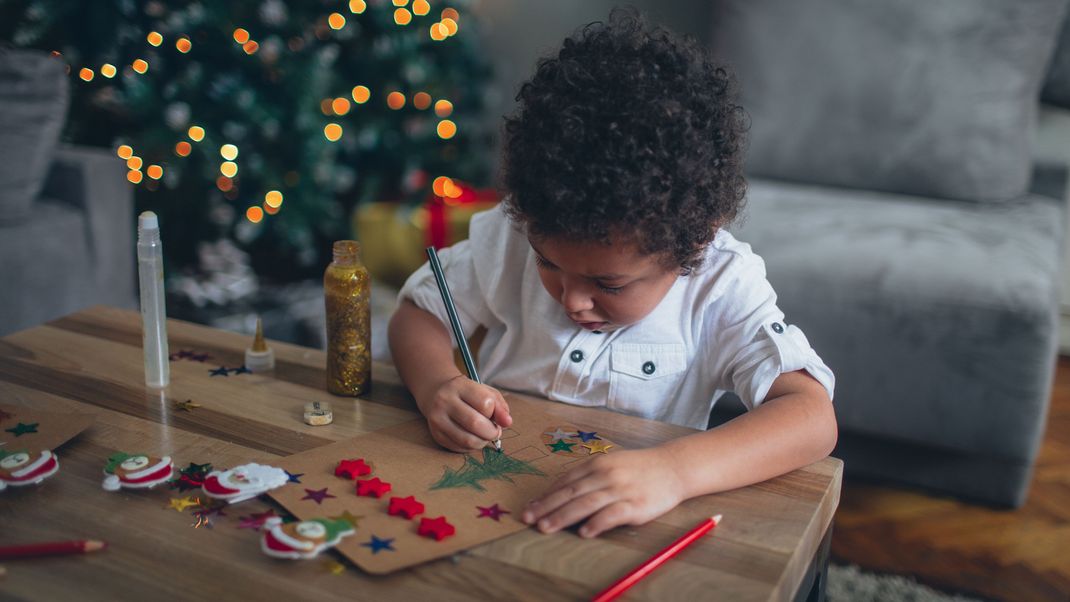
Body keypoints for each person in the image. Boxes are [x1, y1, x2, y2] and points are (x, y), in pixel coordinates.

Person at [388, 8, 837, 539]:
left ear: (690, 244)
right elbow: (418, 314)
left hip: (634, 520)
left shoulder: (721, 286)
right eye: (549, 264)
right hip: (489, 496)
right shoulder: (513, 237)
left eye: (609, 284)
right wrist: (437, 384)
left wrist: (675, 470)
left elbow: (811, 418)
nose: (572, 300)